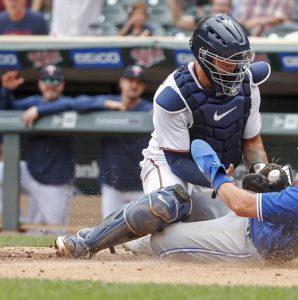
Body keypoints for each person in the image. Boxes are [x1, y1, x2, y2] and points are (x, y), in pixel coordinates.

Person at [53, 13, 275, 258]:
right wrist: (217, 178)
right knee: (169, 204)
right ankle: (87, 242)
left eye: (238, 60)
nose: (234, 68)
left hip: (215, 171)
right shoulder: (173, 94)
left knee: (238, 228)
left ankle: (136, 242)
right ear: (204, 57)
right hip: (168, 160)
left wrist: (261, 170)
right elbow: (178, 160)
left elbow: (252, 141)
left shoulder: (248, 85)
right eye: (226, 60)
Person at [54, 123, 298, 263]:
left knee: (161, 241)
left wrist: (215, 171)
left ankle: (117, 241)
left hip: (251, 248)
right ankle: (110, 235)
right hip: (256, 231)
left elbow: (239, 204)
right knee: (176, 206)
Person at [20, 65, 153, 219]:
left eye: (139, 82)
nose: (134, 85)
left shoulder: (149, 108)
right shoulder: (108, 102)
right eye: (130, 80)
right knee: (109, 231)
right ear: (122, 82)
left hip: (141, 184)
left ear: (144, 86)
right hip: (112, 185)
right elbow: (77, 103)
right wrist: (106, 104)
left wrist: (157, 110)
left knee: (141, 233)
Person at [0, 66, 74, 230]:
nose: (51, 84)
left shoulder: (68, 103)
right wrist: (7, 91)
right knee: (1, 171)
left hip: (55, 183)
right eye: (46, 80)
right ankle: (18, 220)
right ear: (40, 84)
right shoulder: (33, 102)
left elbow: (71, 104)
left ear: (62, 84)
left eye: (55, 80)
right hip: (31, 173)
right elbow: (8, 109)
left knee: (54, 232)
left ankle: (31, 230)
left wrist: (39, 110)